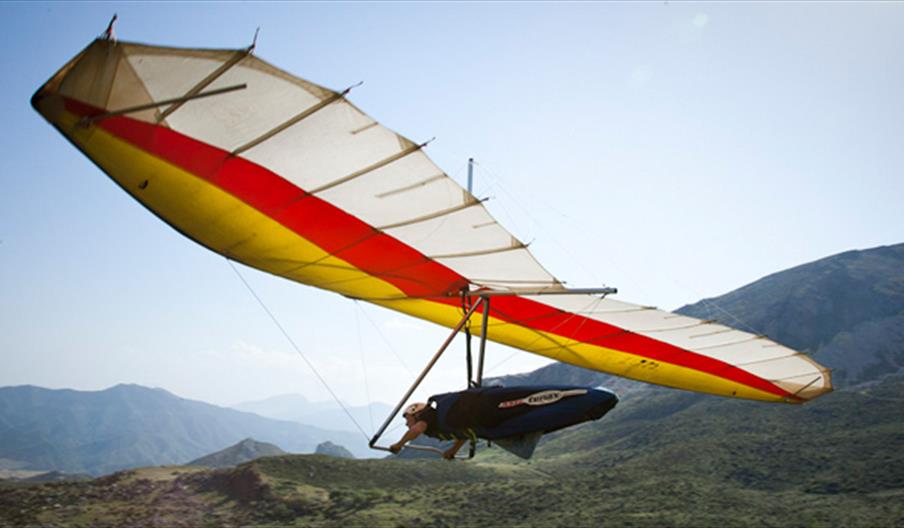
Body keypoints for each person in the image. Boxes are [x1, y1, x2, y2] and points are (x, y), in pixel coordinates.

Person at [389, 402, 467, 460]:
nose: (406, 423)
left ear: (416, 414)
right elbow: (464, 431)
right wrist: (454, 449)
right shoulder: (435, 422)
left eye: (408, 419)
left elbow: (417, 429)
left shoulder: (427, 415)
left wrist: (399, 444)